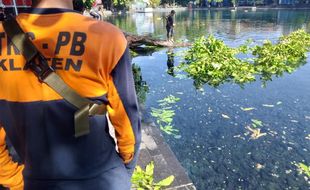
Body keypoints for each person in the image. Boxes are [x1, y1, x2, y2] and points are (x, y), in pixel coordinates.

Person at [0, 0, 141, 190]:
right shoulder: (107, 37)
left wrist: (16, 181)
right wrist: (125, 171)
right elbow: (128, 126)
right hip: (103, 178)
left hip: (35, 180)